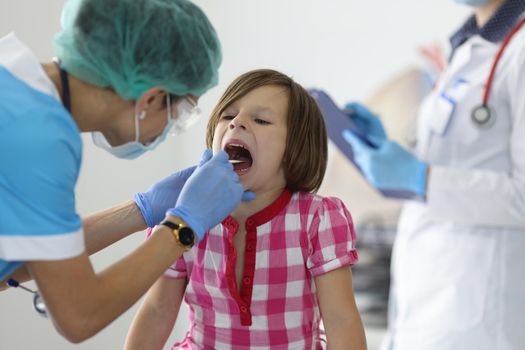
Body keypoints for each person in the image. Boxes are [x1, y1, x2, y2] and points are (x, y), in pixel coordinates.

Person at [0, 0, 254, 343]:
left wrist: (141, 210)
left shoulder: (13, 86)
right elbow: (79, 315)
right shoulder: (38, 138)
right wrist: (183, 226)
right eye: (180, 113)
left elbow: (26, 259)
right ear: (150, 99)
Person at [124, 69, 367, 350]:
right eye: (227, 116)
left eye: (261, 119)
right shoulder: (184, 217)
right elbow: (157, 311)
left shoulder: (316, 220)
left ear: (295, 147)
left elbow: (341, 319)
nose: (236, 123)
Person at [342, 0, 525, 349]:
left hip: (483, 321)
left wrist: (421, 179)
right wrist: (393, 153)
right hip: (428, 308)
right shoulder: (470, 46)